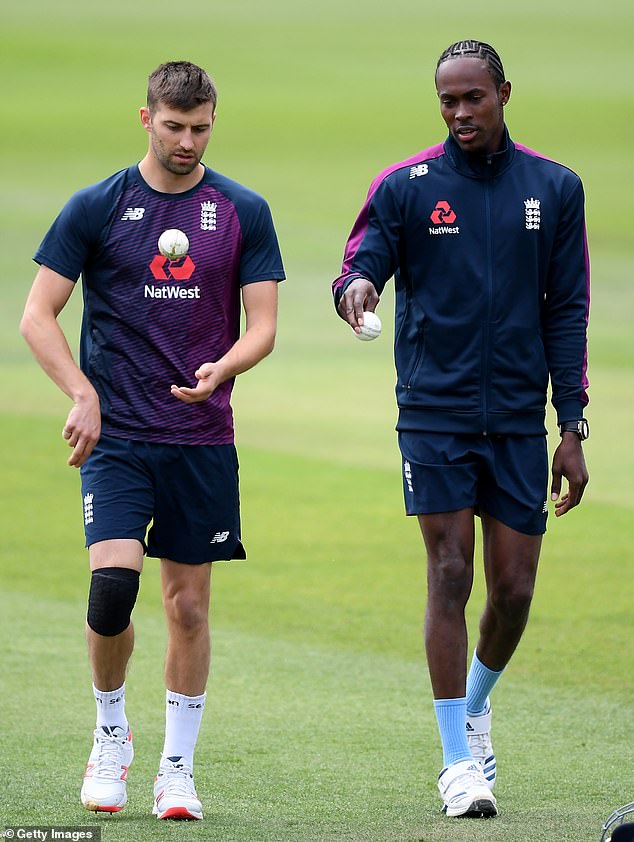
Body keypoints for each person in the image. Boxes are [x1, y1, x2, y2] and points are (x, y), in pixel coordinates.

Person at [20, 60, 285, 820]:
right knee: (112, 591)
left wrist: (223, 367)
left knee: (189, 608)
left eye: (201, 128)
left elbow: (263, 325)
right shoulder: (98, 206)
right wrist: (81, 393)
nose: (187, 141)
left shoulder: (242, 210)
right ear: (146, 119)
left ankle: (176, 768)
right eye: (174, 127)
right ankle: (111, 736)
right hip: (119, 436)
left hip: (201, 437)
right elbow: (38, 315)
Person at [332, 40, 589, 818]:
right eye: (447, 100)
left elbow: (568, 309)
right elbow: (361, 259)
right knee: (450, 574)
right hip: (434, 415)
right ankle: (456, 764)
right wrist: (358, 289)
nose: (459, 112)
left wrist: (571, 423)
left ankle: (476, 707)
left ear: (504, 92)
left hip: (515, 418)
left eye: (474, 98)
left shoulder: (554, 186)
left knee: (512, 590)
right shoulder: (408, 186)